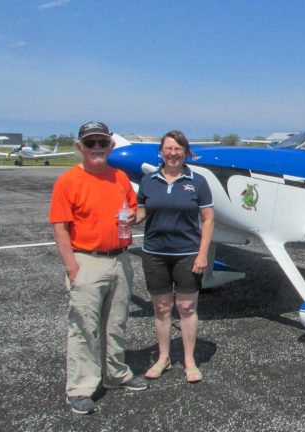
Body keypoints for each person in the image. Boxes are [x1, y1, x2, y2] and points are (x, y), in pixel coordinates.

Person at [49, 121, 148, 415]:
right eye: (90, 143)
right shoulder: (68, 181)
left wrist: (136, 216)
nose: (96, 148)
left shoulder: (119, 177)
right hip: (86, 261)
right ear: (80, 147)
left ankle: (116, 374)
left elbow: (137, 210)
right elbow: (60, 228)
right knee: (84, 328)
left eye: (101, 143)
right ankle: (80, 388)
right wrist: (72, 268)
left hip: (120, 259)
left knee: (116, 323)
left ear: (110, 147)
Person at [135, 130, 214, 384]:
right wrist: (125, 216)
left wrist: (202, 254)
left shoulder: (198, 181)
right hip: (155, 254)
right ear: (161, 151)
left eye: (178, 149)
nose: (173, 153)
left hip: (187, 254)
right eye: (168, 148)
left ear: (185, 152)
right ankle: (164, 358)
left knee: (187, 307)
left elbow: (208, 218)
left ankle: (190, 360)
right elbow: (140, 213)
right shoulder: (149, 181)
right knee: (161, 308)